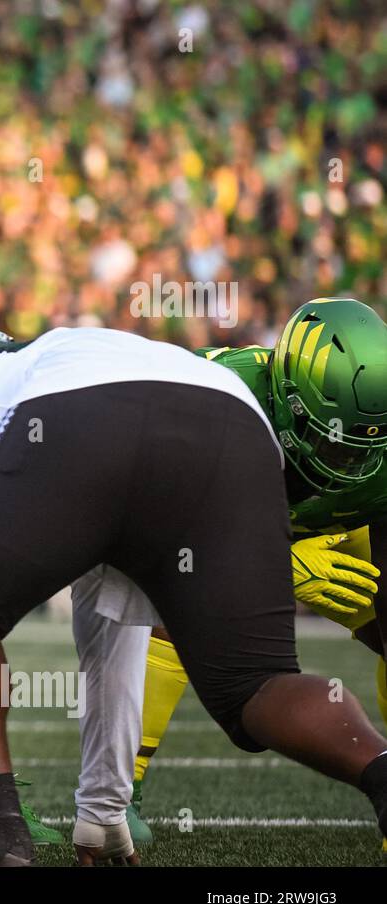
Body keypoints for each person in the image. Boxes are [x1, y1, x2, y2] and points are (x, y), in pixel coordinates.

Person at [0, 325, 387, 865]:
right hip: (233, 420)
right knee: (258, 681)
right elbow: (114, 625)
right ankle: (381, 770)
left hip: (75, 411)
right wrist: (103, 808)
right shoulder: (41, 364)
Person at [92, 298, 387, 854]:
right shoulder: (212, 399)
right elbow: (165, 545)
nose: (343, 462)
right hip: (214, 528)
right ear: (288, 399)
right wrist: (276, 565)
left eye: (361, 448)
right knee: (161, 603)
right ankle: (119, 785)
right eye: (327, 439)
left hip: (329, 529)